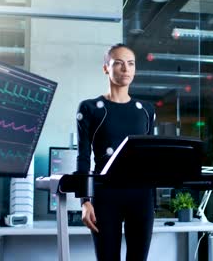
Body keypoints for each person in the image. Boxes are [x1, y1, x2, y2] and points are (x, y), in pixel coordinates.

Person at [75, 43, 156, 261]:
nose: (125, 69)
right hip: (105, 196)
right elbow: (83, 156)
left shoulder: (146, 110)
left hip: (141, 196)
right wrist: (84, 201)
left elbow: (150, 157)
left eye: (130, 64)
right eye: (118, 63)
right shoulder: (90, 108)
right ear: (106, 68)